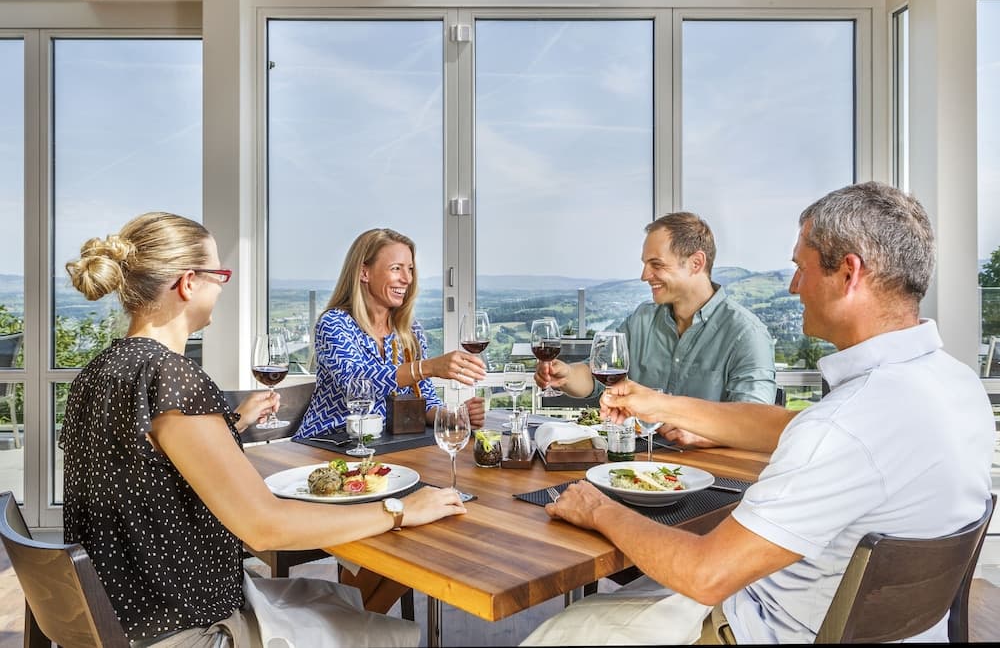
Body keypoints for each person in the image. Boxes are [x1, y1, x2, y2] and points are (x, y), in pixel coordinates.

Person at [524, 182, 995, 645]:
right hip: (885, 626)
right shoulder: (952, 384)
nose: (793, 286)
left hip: (760, 624)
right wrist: (659, 403)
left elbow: (705, 574)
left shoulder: (843, 424)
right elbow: (791, 427)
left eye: (801, 268)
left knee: (560, 631)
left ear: (849, 273)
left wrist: (598, 509)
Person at [61, 212, 466, 647]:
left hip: (125, 613)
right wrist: (399, 511)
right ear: (188, 283)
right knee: (393, 634)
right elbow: (264, 527)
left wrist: (234, 422)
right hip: (188, 627)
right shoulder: (169, 376)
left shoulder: (100, 371)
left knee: (347, 600)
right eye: (220, 275)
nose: (222, 287)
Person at [535, 212, 776, 447]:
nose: (644, 276)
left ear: (696, 263)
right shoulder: (643, 319)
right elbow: (596, 376)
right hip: (638, 462)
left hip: (710, 470)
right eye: (645, 264)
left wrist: (704, 434)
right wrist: (566, 374)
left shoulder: (746, 335)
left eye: (656, 264)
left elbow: (756, 423)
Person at [297, 227, 486, 439]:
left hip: (383, 446)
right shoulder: (335, 323)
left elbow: (424, 401)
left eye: (410, 269)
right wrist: (428, 367)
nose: (407, 279)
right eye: (396, 268)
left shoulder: (410, 331)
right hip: (328, 442)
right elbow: (356, 382)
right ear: (364, 272)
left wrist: (453, 416)